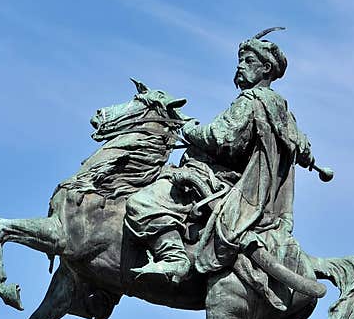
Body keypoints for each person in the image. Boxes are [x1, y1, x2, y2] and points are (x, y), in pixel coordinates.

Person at [125, 28, 317, 285]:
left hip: (222, 184)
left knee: (142, 202)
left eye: (249, 61)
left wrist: (187, 126)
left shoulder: (250, 101)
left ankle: (174, 258)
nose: (240, 66)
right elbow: (303, 149)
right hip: (249, 193)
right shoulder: (283, 111)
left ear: (266, 68)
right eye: (240, 60)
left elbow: (221, 138)